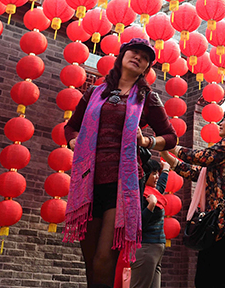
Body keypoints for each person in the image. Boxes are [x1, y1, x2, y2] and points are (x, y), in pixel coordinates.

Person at [63, 37, 178, 288]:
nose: (139, 58)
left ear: (147, 68)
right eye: (134, 52)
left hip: (124, 183)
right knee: (90, 261)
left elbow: (171, 137)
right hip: (90, 180)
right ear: (122, 56)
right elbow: (71, 127)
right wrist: (74, 142)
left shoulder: (148, 97)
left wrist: (146, 141)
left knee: (105, 259)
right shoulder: (95, 92)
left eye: (145, 57)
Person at [159, 107, 225, 288]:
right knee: (210, 279)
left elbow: (202, 157)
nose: (220, 122)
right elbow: (197, 173)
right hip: (220, 223)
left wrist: (168, 144)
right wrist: (168, 157)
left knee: (213, 279)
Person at [130, 157, 171, 288]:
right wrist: (151, 206)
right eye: (153, 173)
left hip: (156, 249)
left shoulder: (153, 192)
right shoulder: (141, 195)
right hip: (146, 248)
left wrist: (165, 170)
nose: (157, 176)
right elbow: (138, 224)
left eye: (157, 172)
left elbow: (161, 186)